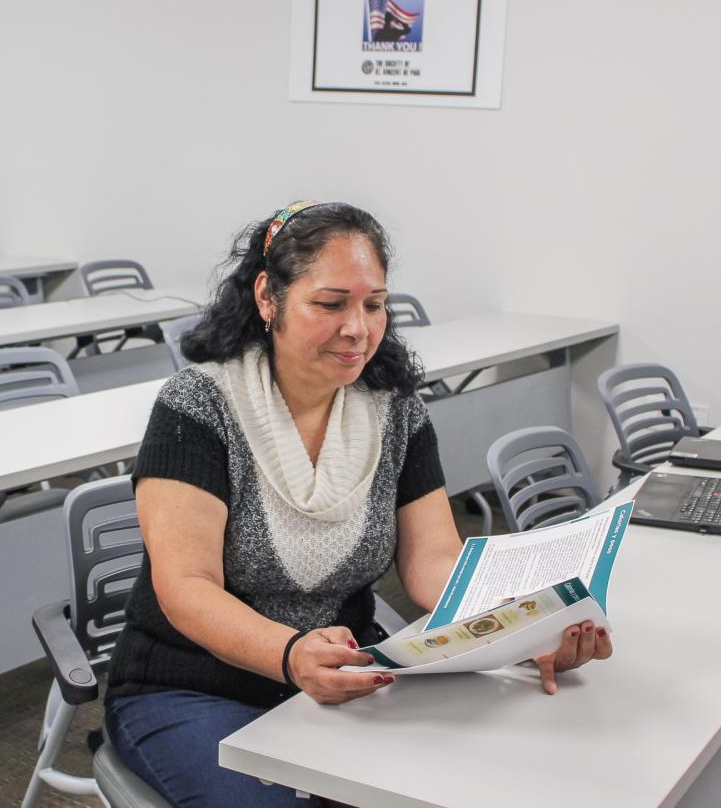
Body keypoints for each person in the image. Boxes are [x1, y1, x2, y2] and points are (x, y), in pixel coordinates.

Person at [104, 201, 612, 805]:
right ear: (268, 297)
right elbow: (187, 586)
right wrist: (289, 654)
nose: (358, 329)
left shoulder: (394, 411)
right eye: (330, 304)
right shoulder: (198, 406)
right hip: (192, 686)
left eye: (374, 305)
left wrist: (524, 625)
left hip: (346, 676)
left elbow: (433, 562)